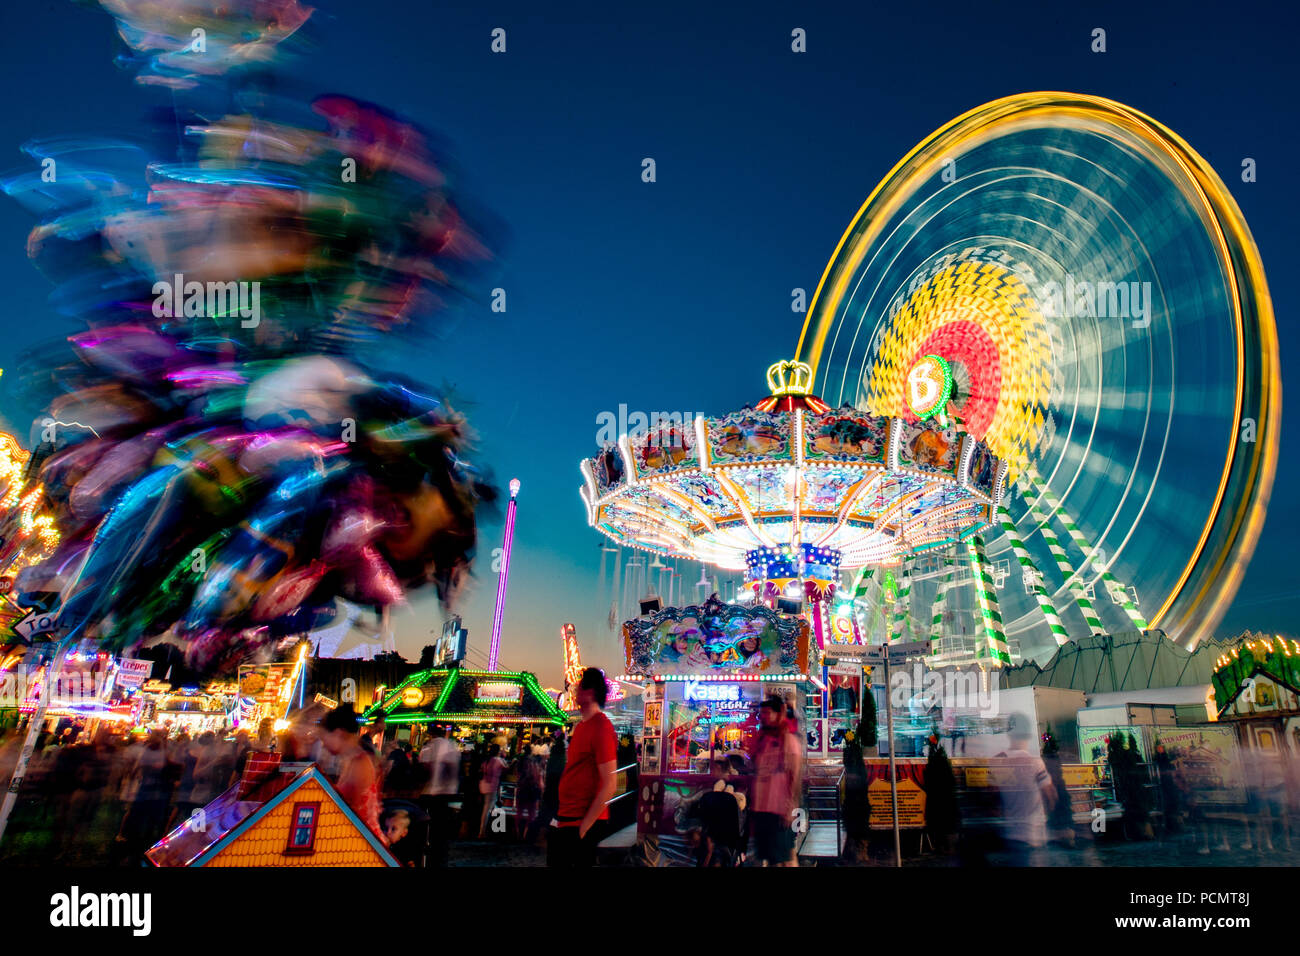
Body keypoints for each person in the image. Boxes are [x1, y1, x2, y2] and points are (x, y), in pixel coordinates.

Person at [548, 668, 618, 867]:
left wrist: (584, 828)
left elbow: (610, 784)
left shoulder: (601, 727)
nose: (575, 690)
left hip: (580, 822)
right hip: (567, 818)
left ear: (590, 692)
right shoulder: (581, 727)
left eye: (579, 686)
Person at [748, 695, 803, 867]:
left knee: (786, 856)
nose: (763, 716)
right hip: (761, 808)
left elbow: (795, 775)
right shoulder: (762, 739)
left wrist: (790, 806)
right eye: (761, 713)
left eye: (767, 713)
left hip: (779, 809)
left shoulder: (789, 741)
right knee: (771, 857)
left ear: (778, 714)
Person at [996, 714, 1057, 865]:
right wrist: (1045, 817)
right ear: (1027, 735)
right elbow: (1051, 796)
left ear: (1009, 734)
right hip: (1034, 834)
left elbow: (992, 799)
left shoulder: (998, 761)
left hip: (1010, 835)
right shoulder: (1035, 763)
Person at [320, 704, 385, 843]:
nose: (323, 745)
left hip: (362, 842)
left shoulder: (359, 763)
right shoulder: (352, 759)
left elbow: (348, 810)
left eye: (324, 738)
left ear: (338, 733)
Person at [418, 725, 461, 866]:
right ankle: (440, 857)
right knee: (441, 830)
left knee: (429, 826)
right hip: (447, 793)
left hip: (430, 792)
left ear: (431, 733)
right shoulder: (452, 746)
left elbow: (424, 768)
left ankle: (428, 853)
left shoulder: (428, 748)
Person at [477, 743, 508, 838]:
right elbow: (507, 768)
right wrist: (504, 757)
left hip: (483, 784)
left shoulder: (486, 760)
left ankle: (488, 829)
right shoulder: (498, 761)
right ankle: (482, 831)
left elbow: (481, 770)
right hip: (492, 786)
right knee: (487, 809)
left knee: (488, 807)